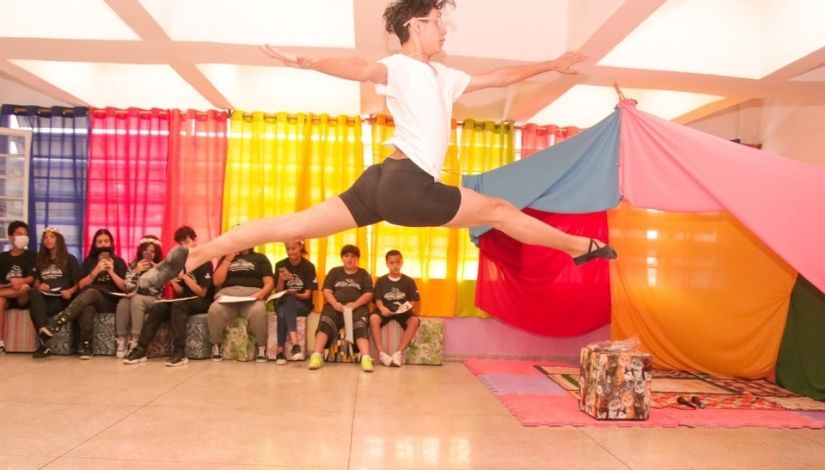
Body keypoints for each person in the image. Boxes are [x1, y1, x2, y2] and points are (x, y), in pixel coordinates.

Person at [139, 0, 616, 295]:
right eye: (436, 22)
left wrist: (552, 63)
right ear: (414, 24)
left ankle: (194, 256)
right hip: (407, 186)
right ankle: (580, 247)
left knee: (289, 223)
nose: (443, 30)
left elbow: (498, 77)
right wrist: (312, 62)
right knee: (500, 210)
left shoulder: (444, 77)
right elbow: (361, 68)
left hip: (380, 181)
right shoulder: (401, 66)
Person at [124, 226, 214, 367]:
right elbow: (180, 292)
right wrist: (172, 279)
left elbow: (202, 292)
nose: (184, 246)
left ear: (195, 240)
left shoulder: (205, 262)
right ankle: (141, 349)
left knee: (179, 305)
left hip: (201, 301)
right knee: (160, 306)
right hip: (185, 299)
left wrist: (186, 278)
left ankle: (179, 352)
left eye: (187, 241)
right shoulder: (180, 262)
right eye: (181, 244)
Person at [42, 228, 128, 359]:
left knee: (91, 292)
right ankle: (87, 347)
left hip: (110, 301)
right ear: (95, 244)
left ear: (111, 243)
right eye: (99, 242)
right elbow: (81, 285)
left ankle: (56, 324)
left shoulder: (119, 261)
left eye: (106, 241)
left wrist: (111, 272)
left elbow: (125, 287)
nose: (103, 244)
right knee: (87, 305)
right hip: (90, 297)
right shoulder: (89, 261)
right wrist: (96, 270)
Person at [309, 244, 374, 372]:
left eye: (353, 256)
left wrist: (354, 305)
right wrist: (335, 304)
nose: (349, 259)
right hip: (335, 306)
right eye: (346, 256)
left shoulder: (363, 273)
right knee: (325, 321)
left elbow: (368, 294)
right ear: (342, 258)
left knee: (360, 324)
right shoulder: (334, 272)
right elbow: (327, 291)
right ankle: (316, 356)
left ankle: (366, 358)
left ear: (357, 259)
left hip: (357, 306)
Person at [207, 246, 274, 363]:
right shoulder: (226, 257)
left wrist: (262, 293)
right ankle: (216, 346)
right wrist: (228, 259)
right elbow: (216, 281)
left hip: (252, 296)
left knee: (258, 310)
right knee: (215, 309)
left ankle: (261, 347)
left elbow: (269, 282)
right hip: (228, 296)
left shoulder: (260, 258)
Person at [28, 227, 80, 358]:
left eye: (52, 237)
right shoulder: (40, 260)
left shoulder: (70, 258)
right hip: (45, 296)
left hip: (62, 298)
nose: (48, 240)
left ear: (59, 240)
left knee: (36, 309)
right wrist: (40, 285)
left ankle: (43, 344)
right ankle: (43, 334)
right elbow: (36, 281)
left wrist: (70, 291)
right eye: (46, 237)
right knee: (34, 294)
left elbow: (79, 283)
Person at [114, 235, 163, 358]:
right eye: (147, 251)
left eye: (153, 251)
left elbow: (157, 288)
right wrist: (136, 272)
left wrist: (154, 269)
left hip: (154, 299)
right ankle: (122, 339)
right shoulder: (134, 266)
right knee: (123, 302)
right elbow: (128, 286)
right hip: (135, 296)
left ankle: (135, 341)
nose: (150, 254)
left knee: (136, 299)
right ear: (141, 251)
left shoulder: (160, 267)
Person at [370, 249, 420, 367]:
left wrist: (405, 307)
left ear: (402, 262)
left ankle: (399, 353)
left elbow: (413, 300)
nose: (395, 265)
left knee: (415, 320)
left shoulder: (409, 281)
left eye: (398, 262)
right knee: (373, 318)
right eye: (392, 263)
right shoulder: (381, 281)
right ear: (387, 264)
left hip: (403, 311)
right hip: (385, 309)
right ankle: (381, 354)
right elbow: (378, 299)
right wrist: (382, 308)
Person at [273, 240, 317, 364]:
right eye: (288, 249)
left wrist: (294, 293)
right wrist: (281, 280)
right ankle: (295, 346)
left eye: (294, 248)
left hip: (302, 304)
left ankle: (280, 351)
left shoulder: (308, 266)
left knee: (287, 303)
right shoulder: (280, 265)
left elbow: (308, 295)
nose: (291, 252)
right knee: (285, 302)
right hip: (283, 301)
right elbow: (278, 292)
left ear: (300, 247)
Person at [0, 220, 37, 353]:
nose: (23, 237)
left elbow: (32, 278)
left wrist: (21, 281)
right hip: (7, 293)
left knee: (24, 288)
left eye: (25, 234)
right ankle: (1, 342)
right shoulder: (2, 257)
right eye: (19, 234)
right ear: (11, 237)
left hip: (23, 296)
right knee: (0, 300)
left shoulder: (31, 255)